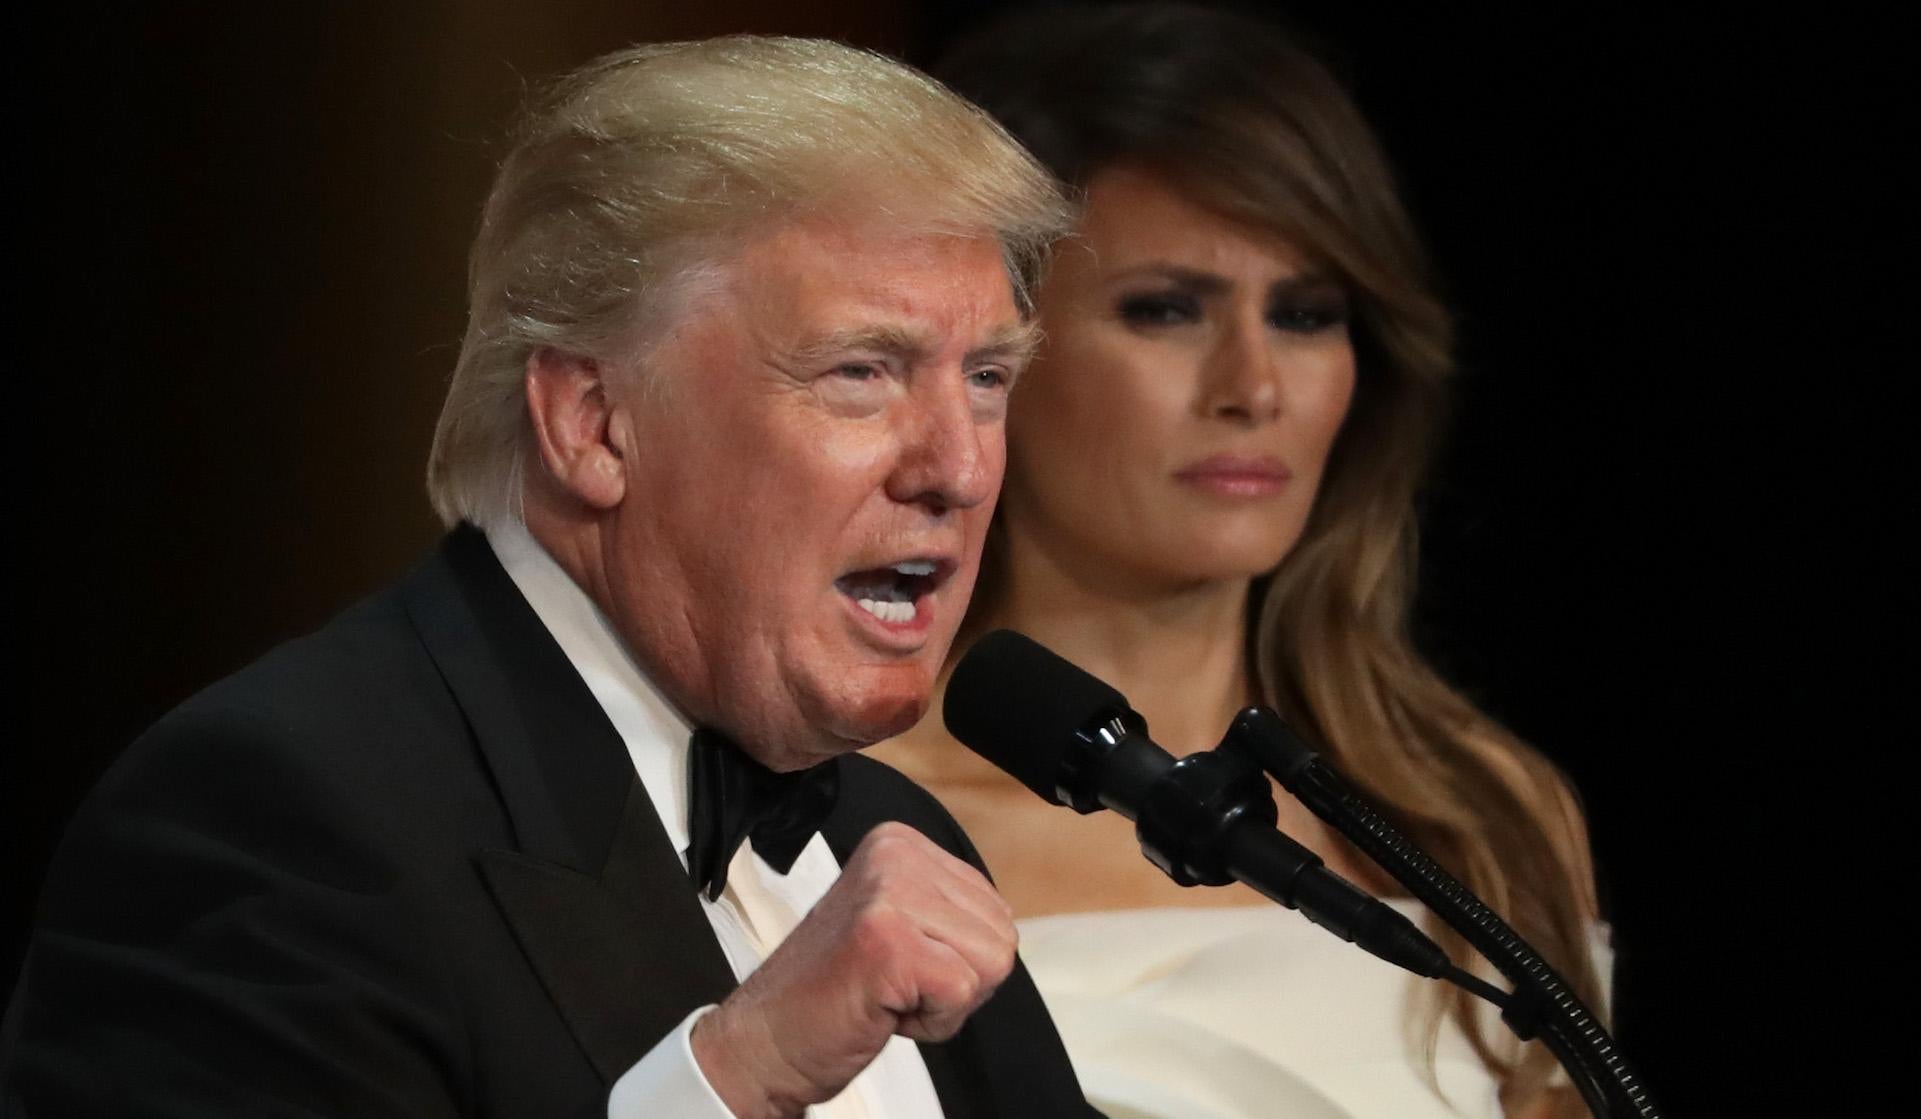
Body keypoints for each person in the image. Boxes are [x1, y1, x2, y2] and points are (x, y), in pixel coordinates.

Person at [2, 37, 1096, 1118]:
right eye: (862, 371)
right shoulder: (276, 814)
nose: (957, 467)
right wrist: (733, 1081)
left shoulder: (884, 833)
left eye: (988, 378)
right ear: (592, 425)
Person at [866, 7, 1611, 1118]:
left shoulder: (1475, 815)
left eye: (1305, 315)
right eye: (1165, 309)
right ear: (987, 360)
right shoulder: (839, 822)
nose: (1253, 387)